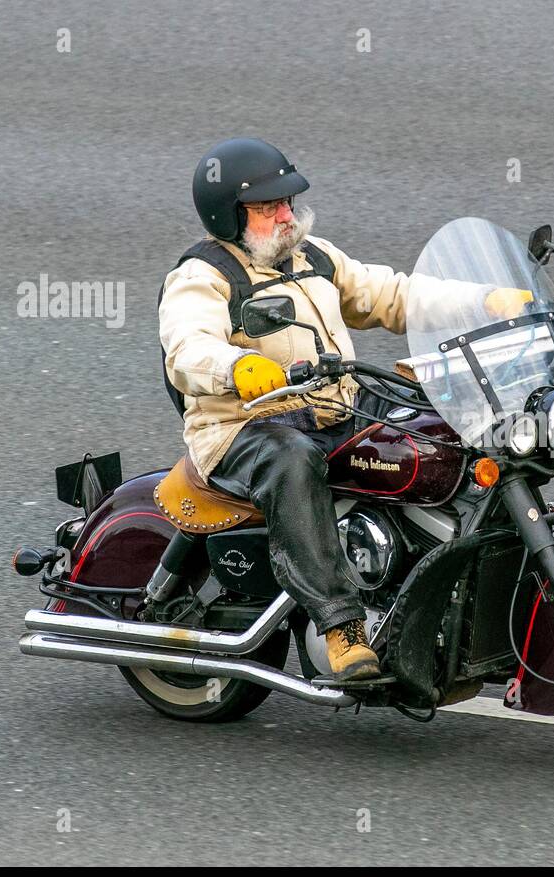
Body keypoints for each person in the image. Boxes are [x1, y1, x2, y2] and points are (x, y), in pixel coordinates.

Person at [159, 137, 528, 680]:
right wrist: (237, 366)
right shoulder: (204, 276)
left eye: (286, 201)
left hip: (333, 406)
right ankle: (341, 627)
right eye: (268, 207)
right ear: (230, 215)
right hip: (245, 425)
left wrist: (486, 301)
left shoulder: (314, 257)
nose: (286, 214)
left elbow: (396, 296)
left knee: (438, 422)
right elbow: (186, 348)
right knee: (293, 462)